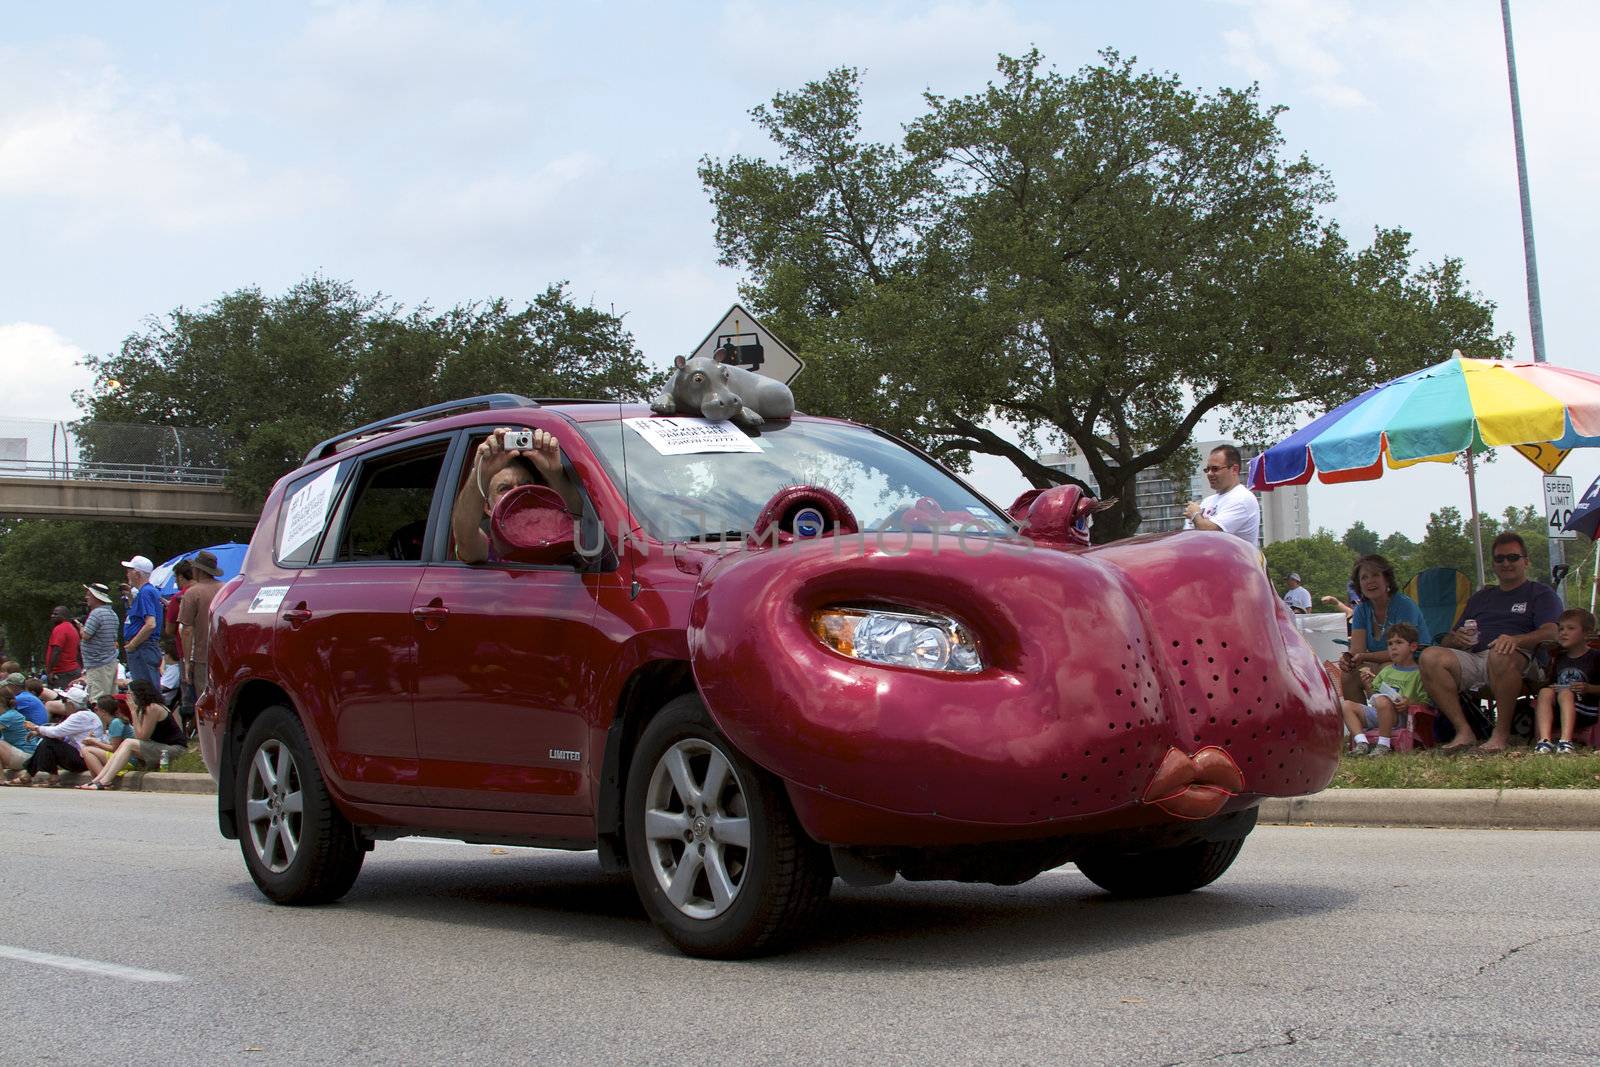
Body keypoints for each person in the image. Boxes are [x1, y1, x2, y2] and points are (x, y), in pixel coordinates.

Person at [1419, 532, 1560, 752]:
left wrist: (1515, 639)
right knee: (1429, 657)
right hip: (1475, 658)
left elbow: (1552, 633)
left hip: (1521, 661)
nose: (1506, 563)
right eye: (1499, 559)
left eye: (1513, 557)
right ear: (1493, 564)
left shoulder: (1540, 593)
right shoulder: (1481, 597)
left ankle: (1500, 735)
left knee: (1500, 652)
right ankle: (1464, 732)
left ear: (1526, 561)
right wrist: (1455, 639)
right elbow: (1448, 638)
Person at [450, 427, 582, 565]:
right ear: (488, 507)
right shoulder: (490, 546)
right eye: (504, 489)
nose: (518, 493)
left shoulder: (557, 531)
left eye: (526, 485)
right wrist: (481, 473)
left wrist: (554, 473)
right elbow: (465, 539)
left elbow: (581, 520)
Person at [1333, 555, 1430, 706]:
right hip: (1380, 663)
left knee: (1387, 672)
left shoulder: (1405, 606)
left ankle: (1391, 725)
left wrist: (1364, 656)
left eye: (1375, 575)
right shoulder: (1361, 610)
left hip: (1412, 662)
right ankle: (1363, 723)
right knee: (1349, 675)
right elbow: (1357, 650)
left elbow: (1402, 652)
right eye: (1364, 577)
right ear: (1359, 585)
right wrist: (1348, 660)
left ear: (1387, 579)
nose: (1369, 581)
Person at [78, 679, 187, 790]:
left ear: (139, 693)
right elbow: (138, 735)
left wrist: (133, 711)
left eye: (130, 693)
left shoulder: (153, 707)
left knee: (129, 742)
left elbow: (142, 737)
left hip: (174, 749)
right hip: (160, 747)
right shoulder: (145, 708)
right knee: (127, 742)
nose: (128, 695)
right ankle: (97, 780)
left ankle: (105, 781)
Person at [1340, 623, 1429, 757]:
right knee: (1345, 705)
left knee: (1382, 701)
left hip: (1401, 716)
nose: (1393, 647)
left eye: (1399, 642)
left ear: (1413, 647)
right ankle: (1361, 743)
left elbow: (1426, 702)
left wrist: (1408, 703)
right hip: (1379, 712)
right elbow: (1373, 698)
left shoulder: (1419, 674)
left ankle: (1383, 745)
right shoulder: (1386, 671)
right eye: (1390, 643)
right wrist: (1369, 685)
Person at [8, 694, 115, 786]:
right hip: (83, 756)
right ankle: (42, 776)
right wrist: (38, 732)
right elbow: (62, 735)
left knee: (48, 742)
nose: (63, 704)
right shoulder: (87, 714)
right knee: (48, 741)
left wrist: (35, 727)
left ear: (71, 704)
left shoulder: (80, 716)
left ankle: (35, 775)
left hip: (84, 759)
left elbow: (56, 732)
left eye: (64, 701)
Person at [1533, 608, 1600, 755]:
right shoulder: (1559, 658)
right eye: (1561, 628)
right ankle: (1544, 740)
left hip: (1586, 709)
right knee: (1545, 692)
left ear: (1586, 634)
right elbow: (1551, 684)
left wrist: (1588, 688)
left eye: (1570, 628)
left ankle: (1566, 741)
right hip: (1558, 711)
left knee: (1565, 693)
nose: (1563, 632)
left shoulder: (1595, 657)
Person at [177, 550, 224, 730]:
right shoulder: (225, 588)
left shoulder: (192, 593)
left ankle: (206, 738)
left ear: (197, 570)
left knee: (204, 698)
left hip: (202, 655)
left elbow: (187, 630)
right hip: (223, 654)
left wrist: (187, 661)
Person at [1182, 445, 1260, 544]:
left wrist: (1194, 515)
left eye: (1215, 469)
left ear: (1234, 469)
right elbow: (1187, 538)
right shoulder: (1208, 501)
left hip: (1234, 559)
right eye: (1207, 469)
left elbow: (1212, 535)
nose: (1209, 474)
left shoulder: (1242, 499)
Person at [120, 554, 164, 688]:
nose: (127, 574)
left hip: (143, 648)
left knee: (145, 691)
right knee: (145, 690)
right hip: (145, 647)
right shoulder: (148, 591)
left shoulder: (146, 592)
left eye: (129, 571)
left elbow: (150, 624)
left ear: (137, 574)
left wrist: (133, 644)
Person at [80, 583, 120, 701]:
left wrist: (80, 628)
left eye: (88, 594)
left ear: (96, 597)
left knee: (98, 700)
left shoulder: (96, 613)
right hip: (110, 661)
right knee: (111, 699)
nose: (86, 597)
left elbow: (86, 635)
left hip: (98, 664)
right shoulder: (113, 614)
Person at [0, 688, 42, 775]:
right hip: (25, 756)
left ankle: (1, 778)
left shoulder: (7, 717)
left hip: (26, 757)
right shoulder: (11, 713)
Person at [44, 605, 82, 689]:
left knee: (59, 699)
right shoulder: (73, 628)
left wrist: (50, 671)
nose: (52, 616)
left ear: (64, 616)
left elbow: (56, 651)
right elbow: (78, 651)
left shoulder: (60, 629)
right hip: (73, 670)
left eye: (56, 614)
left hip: (62, 673)